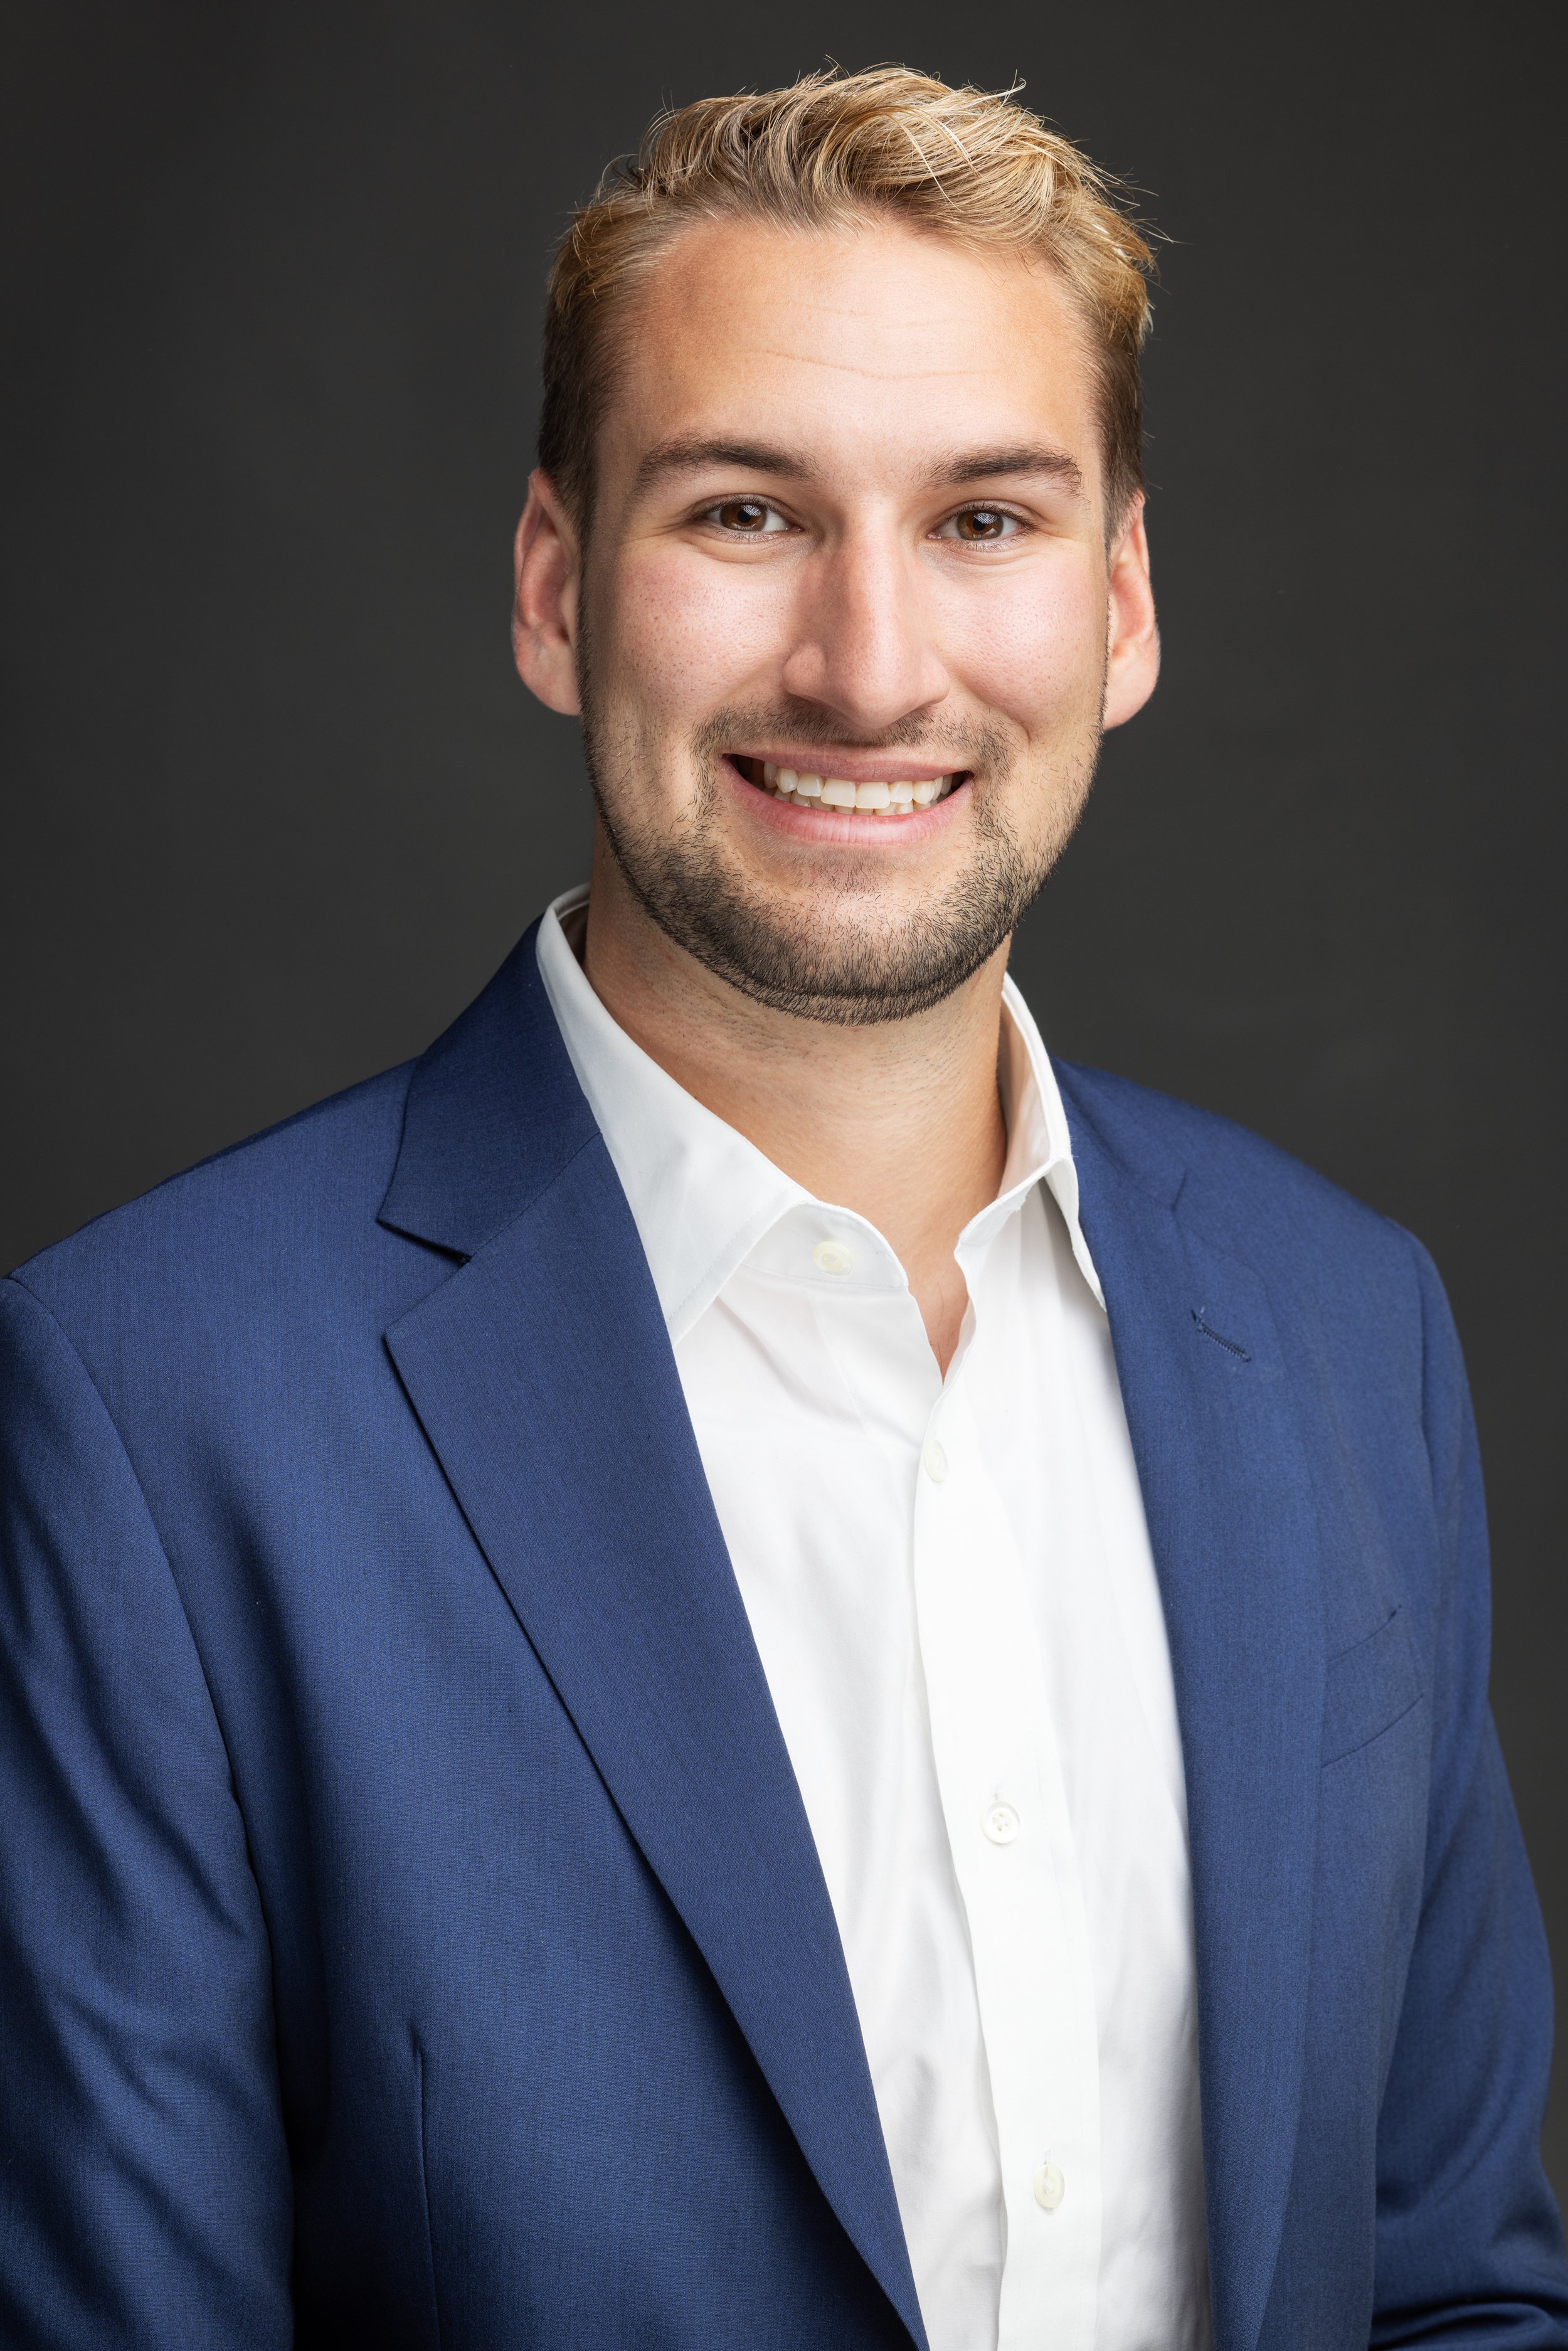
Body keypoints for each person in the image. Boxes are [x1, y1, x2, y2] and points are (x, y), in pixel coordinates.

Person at [1, 62, 1563, 2351]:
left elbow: (1448, 2298)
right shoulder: (148, 1412)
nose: (867, 661)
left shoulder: (1345, 1332)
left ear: (1120, 607)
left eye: (988, 521)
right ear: (555, 591)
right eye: (745, 514)